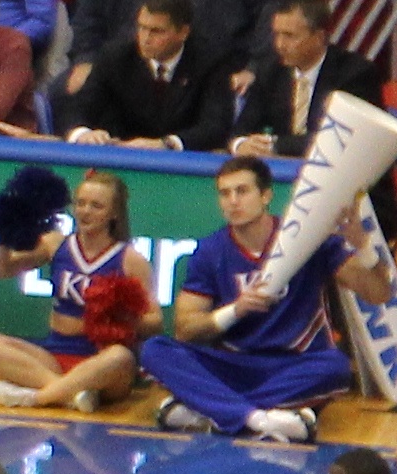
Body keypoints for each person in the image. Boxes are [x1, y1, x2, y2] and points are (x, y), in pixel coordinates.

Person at [142, 153, 356, 442]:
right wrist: (236, 310)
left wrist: (363, 247)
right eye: (225, 193)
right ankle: (259, 419)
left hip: (293, 364)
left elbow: (377, 292)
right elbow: (185, 329)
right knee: (155, 350)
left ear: (266, 195)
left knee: (336, 367)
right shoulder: (210, 250)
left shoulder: (306, 239)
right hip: (232, 364)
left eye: (242, 191)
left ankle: (211, 411)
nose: (233, 201)